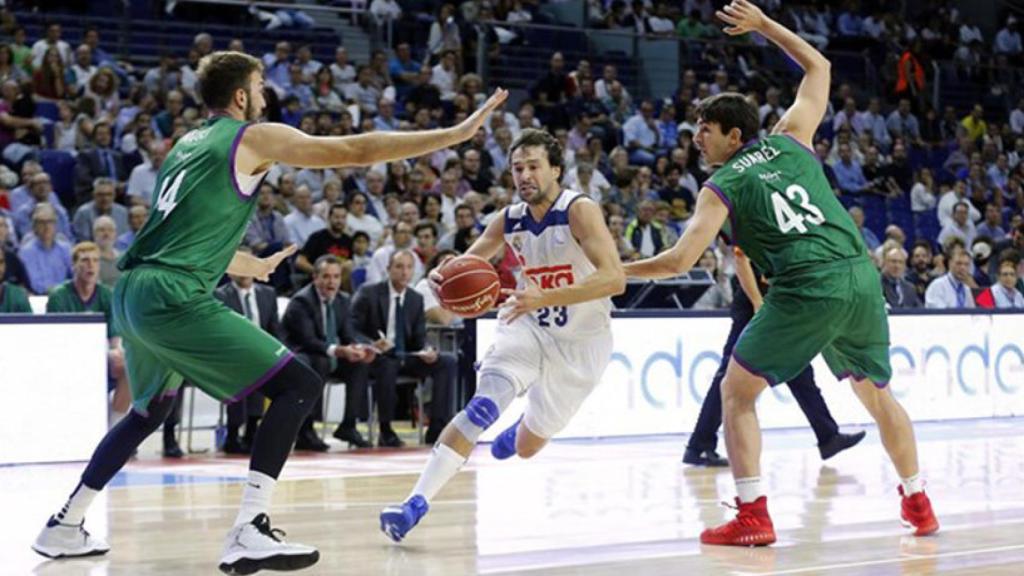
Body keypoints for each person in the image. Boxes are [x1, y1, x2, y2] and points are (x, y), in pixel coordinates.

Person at [31, 50, 507, 573]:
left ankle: (64, 524)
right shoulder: (251, 137)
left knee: (150, 411)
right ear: (241, 95)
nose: (265, 96)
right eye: (260, 86)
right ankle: (249, 528)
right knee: (299, 384)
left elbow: (172, 237)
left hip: (135, 290)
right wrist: (453, 134)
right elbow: (355, 149)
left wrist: (246, 263)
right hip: (171, 294)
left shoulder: (185, 146)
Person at [622, 1, 937, 546]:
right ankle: (918, 501)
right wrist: (765, 27)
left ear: (734, 137)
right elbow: (820, 68)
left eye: (707, 130)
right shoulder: (791, 136)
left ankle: (753, 514)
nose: (697, 138)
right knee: (879, 397)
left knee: (736, 392)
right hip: (860, 277)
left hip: (808, 285)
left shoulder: (722, 185)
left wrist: (609, 271)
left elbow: (678, 261)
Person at [379, 128, 626, 542]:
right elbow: (468, 261)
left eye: (533, 167)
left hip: (583, 342)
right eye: (517, 168)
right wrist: (444, 275)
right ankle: (413, 504)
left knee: (529, 446)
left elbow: (614, 279)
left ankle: (523, 427)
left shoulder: (579, 211)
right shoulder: (508, 218)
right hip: (527, 324)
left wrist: (546, 294)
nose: (524, 175)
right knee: (480, 409)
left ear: (555, 171)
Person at [685, 247, 866, 467]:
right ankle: (699, 445)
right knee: (727, 377)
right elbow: (743, 261)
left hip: (777, 305)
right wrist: (757, 303)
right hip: (757, 307)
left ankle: (828, 436)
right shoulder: (758, 221)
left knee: (800, 371)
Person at [350, 249, 458, 448]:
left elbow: (418, 338)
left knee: (447, 362)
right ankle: (386, 429)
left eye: (409, 268)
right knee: (387, 364)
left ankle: (437, 428)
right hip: (378, 356)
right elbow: (351, 328)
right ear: (389, 269)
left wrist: (427, 350)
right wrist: (371, 343)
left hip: (406, 355)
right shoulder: (369, 292)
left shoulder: (415, 299)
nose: (404, 272)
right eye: (399, 267)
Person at [281, 255, 376, 449]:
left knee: (359, 364)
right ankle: (305, 430)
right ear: (315, 277)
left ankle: (349, 425)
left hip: (327, 353)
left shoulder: (343, 299)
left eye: (336, 277)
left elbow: (349, 333)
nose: (331, 282)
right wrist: (338, 350)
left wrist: (361, 348)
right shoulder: (302, 301)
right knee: (319, 362)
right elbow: (307, 340)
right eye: (326, 276)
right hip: (300, 354)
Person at [45, 242, 131, 430]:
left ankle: (115, 430)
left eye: (95, 260)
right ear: (74, 266)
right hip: (66, 357)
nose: (91, 265)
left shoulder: (106, 295)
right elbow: (55, 340)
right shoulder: (58, 296)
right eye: (85, 260)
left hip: (100, 357)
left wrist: (116, 352)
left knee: (127, 366)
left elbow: (115, 335)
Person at [213, 247, 283, 455]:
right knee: (242, 369)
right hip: (231, 356)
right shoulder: (219, 295)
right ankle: (233, 433)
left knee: (266, 366)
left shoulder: (268, 294)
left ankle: (253, 429)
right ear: (230, 270)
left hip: (262, 353)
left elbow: (274, 330)